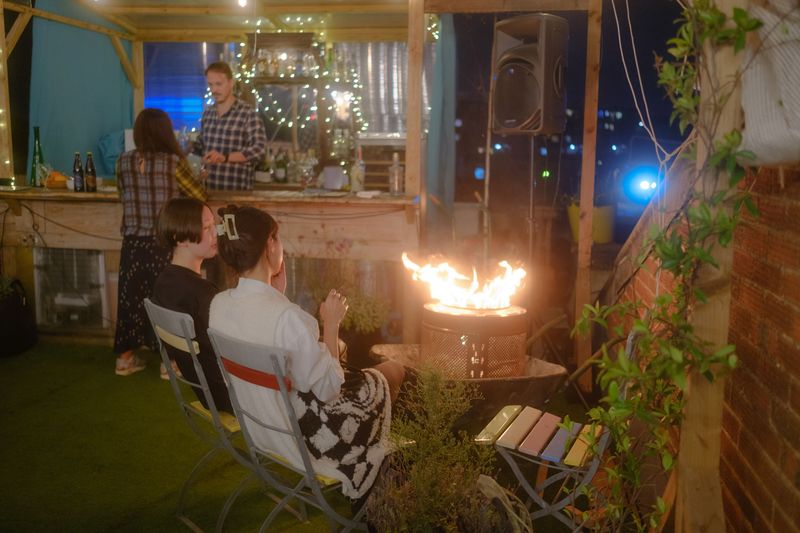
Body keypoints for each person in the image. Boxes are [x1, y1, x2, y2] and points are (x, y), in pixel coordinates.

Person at [209, 205, 405, 499]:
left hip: (259, 425)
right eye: (277, 238)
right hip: (306, 436)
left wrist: (278, 295)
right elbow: (328, 391)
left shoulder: (219, 304)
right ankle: (384, 479)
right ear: (270, 246)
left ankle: (390, 469)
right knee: (393, 371)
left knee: (344, 357)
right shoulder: (289, 318)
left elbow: (270, 330)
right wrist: (332, 323)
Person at [114, 108, 206, 376]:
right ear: (165, 132)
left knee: (130, 300)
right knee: (168, 302)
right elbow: (197, 195)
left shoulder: (123, 161)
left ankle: (125, 358)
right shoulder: (173, 163)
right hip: (163, 244)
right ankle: (173, 364)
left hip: (132, 242)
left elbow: (122, 194)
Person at [151, 197, 231, 412]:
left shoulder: (163, 282)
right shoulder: (203, 293)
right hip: (230, 396)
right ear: (180, 238)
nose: (215, 233)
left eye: (213, 225)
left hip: (205, 392)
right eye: (206, 227)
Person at [193, 61, 267, 190]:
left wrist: (225, 157)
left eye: (218, 84)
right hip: (209, 193)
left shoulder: (247, 114)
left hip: (237, 194)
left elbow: (259, 150)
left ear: (231, 83)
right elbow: (200, 148)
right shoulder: (208, 114)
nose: (214, 90)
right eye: (211, 85)